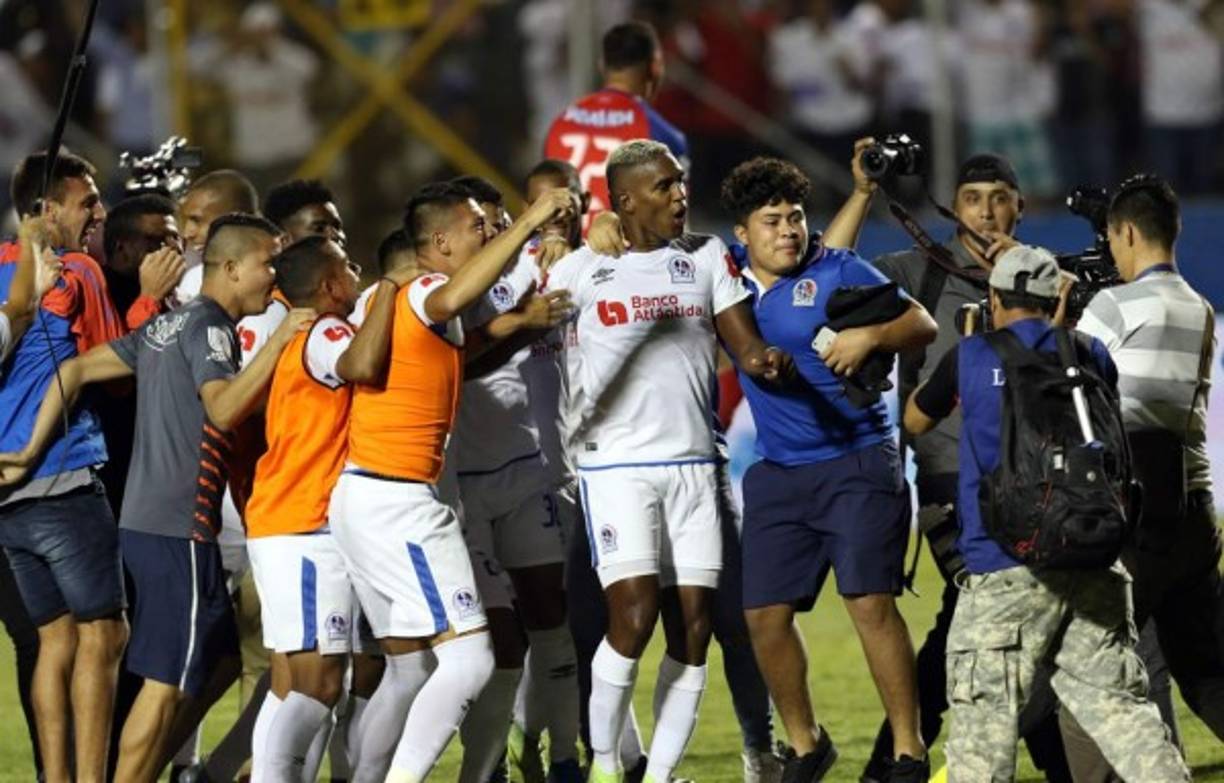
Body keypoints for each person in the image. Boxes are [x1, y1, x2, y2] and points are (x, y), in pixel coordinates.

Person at [0, 213, 313, 782]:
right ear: (233, 267)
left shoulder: (168, 326)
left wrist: (25, 451)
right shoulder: (211, 329)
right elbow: (221, 408)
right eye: (268, 262)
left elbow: (73, 370)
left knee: (213, 656)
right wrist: (282, 342)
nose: (275, 275)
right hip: (181, 529)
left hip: (142, 526)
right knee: (166, 687)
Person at [544, 139, 788, 783]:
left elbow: (746, 345)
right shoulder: (575, 271)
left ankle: (658, 775)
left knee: (696, 627)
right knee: (633, 612)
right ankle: (603, 762)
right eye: (662, 187)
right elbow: (517, 329)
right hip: (615, 468)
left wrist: (772, 361)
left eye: (680, 183)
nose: (679, 195)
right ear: (623, 200)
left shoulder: (706, 256)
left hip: (696, 467)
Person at [904, 244, 1189, 783]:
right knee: (1128, 720)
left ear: (993, 298)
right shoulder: (1090, 353)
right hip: (1093, 559)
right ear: (1054, 296)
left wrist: (969, 358)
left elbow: (916, 420)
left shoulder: (971, 356)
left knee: (981, 741)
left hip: (1004, 566)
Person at [329, 182, 575, 782]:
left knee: (410, 669)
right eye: (475, 227)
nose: (487, 233)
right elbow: (452, 298)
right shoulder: (426, 289)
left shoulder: (387, 302)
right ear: (439, 242)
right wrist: (533, 220)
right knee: (469, 661)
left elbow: (456, 353)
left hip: (370, 496)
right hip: (402, 503)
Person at [718, 156, 936, 782]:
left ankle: (907, 751)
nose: (788, 230)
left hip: (856, 461)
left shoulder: (837, 269)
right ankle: (807, 745)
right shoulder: (724, 278)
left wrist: (869, 339)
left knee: (869, 605)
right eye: (772, 221)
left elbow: (918, 321)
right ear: (742, 233)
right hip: (779, 472)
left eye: (795, 218)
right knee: (762, 617)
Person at [867, 153, 1075, 781]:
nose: (986, 211)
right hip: (948, 480)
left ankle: (899, 758)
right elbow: (829, 274)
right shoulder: (914, 273)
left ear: (1021, 205)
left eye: (999, 197)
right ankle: (899, 759)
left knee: (989, 621)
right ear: (953, 208)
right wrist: (860, 193)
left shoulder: (1052, 282)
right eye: (972, 198)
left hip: (1035, 485)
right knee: (978, 611)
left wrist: (1051, 292)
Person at [242, 235, 415, 780]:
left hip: (288, 523)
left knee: (301, 684)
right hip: (304, 526)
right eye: (349, 266)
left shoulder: (303, 333)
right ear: (329, 285)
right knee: (317, 686)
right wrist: (391, 286)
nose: (357, 271)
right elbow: (361, 364)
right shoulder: (325, 330)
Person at [1069, 174, 1224, 778]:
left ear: (1126, 232)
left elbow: (1072, 392)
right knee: (1207, 667)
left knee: (1113, 664)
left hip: (1138, 512)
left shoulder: (1112, 307)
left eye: (1111, 238)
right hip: (1197, 507)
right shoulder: (1201, 308)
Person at [442, 178, 581, 783]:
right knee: (498, 646)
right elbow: (461, 357)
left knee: (554, 622)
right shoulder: (438, 295)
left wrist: (574, 230)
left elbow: (585, 248)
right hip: (460, 490)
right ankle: (488, 765)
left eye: (497, 224)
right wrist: (524, 323)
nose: (494, 235)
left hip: (527, 475)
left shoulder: (530, 270)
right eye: (481, 226)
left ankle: (566, 762)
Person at [0, 151, 130, 783]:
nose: (98, 212)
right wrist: (151, 303)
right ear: (47, 211)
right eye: (87, 201)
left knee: (53, 640)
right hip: (63, 474)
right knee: (103, 637)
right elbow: (116, 366)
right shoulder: (77, 268)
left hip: (8, 501)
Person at [544, 21, 688, 229]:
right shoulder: (663, 135)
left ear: (602, 65)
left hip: (566, 254)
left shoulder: (559, 125)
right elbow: (678, 222)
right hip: (625, 256)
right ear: (655, 67)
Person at [175, 169, 260, 303]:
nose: (187, 234)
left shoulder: (278, 277)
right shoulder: (193, 279)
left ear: (235, 218)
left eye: (197, 220)